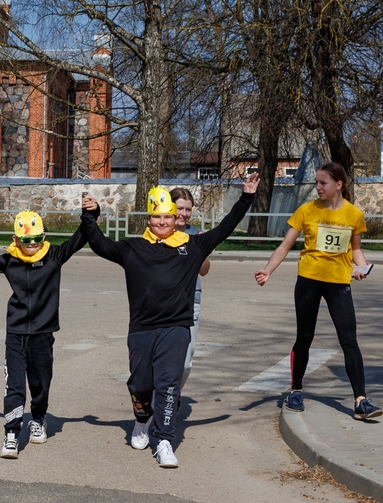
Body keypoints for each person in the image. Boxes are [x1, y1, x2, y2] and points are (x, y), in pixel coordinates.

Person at [81, 174, 259, 469]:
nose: (162, 222)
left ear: (175, 218)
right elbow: (99, 244)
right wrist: (90, 215)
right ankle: (141, 421)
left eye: (167, 216)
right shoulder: (133, 248)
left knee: (168, 384)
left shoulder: (192, 245)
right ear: (149, 218)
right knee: (140, 384)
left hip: (176, 327)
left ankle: (163, 439)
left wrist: (247, 197)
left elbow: (225, 228)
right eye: (156, 217)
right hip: (141, 329)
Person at [0, 209, 90, 459]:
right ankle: (12, 433)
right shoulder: (10, 260)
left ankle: (37, 418)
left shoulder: (54, 256)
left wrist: (90, 215)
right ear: (16, 240)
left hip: (43, 333)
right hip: (15, 332)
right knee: (14, 384)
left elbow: (79, 238)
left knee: (40, 383)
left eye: (36, 238)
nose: (32, 243)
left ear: (44, 236)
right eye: (26, 240)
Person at [254, 161, 383, 421]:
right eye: (316, 182)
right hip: (309, 280)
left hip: (339, 283)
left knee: (349, 340)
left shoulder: (353, 214)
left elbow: (356, 249)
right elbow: (285, 245)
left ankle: (361, 400)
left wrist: (362, 268)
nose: (318, 187)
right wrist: (268, 270)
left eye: (323, 183)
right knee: (305, 336)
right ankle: (296, 391)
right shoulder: (307, 210)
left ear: (339, 185)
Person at [168, 187, 210, 392]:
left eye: (188, 209)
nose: (184, 214)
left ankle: (174, 393)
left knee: (185, 360)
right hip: (163, 301)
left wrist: (200, 251)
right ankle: (162, 398)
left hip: (191, 300)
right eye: (180, 208)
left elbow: (205, 271)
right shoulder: (160, 231)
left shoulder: (195, 234)